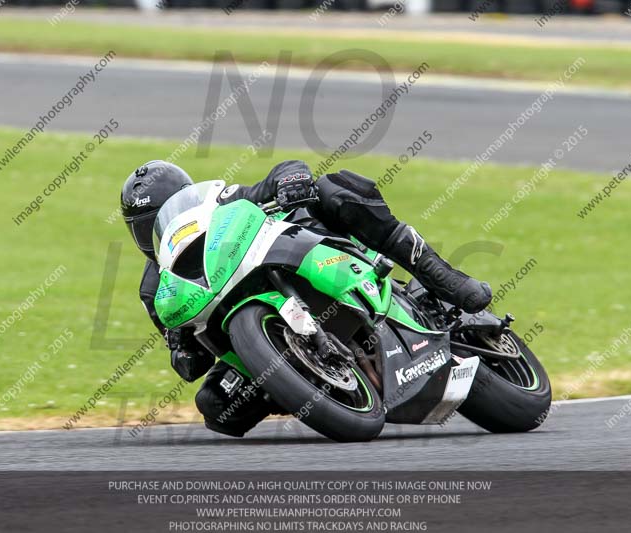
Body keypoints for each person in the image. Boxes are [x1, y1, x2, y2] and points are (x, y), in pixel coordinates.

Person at [120, 159, 492, 437]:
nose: (161, 227)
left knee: (336, 188)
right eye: (145, 224)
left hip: (307, 254)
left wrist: (292, 180)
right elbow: (190, 363)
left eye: (162, 214)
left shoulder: (222, 202)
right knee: (216, 406)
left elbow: (282, 173)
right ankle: (310, 384)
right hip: (256, 332)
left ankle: (436, 273)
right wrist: (181, 344)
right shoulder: (155, 289)